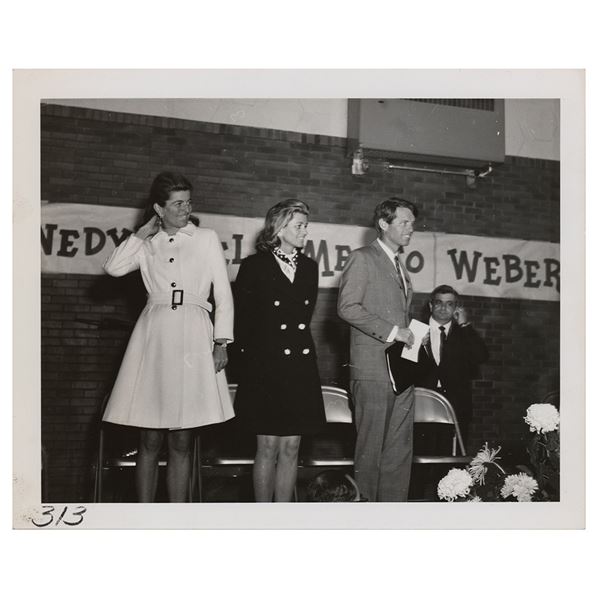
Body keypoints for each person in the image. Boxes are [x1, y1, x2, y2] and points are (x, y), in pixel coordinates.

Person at [102, 171, 234, 502]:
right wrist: (140, 235)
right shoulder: (147, 243)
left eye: (188, 202)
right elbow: (114, 268)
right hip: (155, 338)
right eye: (177, 204)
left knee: (182, 439)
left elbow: (224, 294)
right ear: (159, 209)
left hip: (194, 336)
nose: (186, 209)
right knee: (148, 437)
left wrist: (221, 342)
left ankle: (178, 516)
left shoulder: (205, 238)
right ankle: (145, 516)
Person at [233, 200, 325, 502]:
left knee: (291, 447)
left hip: (299, 367)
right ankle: (263, 517)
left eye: (306, 226)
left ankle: (283, 515)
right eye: (299, 226)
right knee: (268, 446)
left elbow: (303, 318)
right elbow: (242, 321)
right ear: (279, 228)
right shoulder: (254, 265)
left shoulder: (310, 268)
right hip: (265, 366)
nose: (305, 232)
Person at [337, 197, 418, 502]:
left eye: (412, 223)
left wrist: (412, 335)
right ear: (384, 224)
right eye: (404, 222)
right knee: (370, 452)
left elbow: (397, 315)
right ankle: (365, 516)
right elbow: (347, 307)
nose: (411, 228)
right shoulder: (362, 258)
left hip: (401, 370)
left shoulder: (399, 266)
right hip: (372, 369)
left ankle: (392, 515)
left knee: (399, 451)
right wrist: (395, 332)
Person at [416, 284, 489, 447]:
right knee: (422, 452)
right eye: (439, 303)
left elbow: (481, 356)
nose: (443, 308)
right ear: (431, 306)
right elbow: (404, 369)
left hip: (456, 404)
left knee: (451, 454)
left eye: (449, 304)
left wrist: (465, 325)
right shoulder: (417, 330)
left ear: (456, 308)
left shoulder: (463, 332)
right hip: (423, 403)